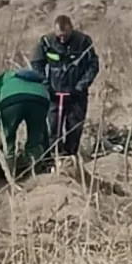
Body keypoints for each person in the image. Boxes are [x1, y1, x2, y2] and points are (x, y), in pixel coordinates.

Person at [29, 14, 100, 159]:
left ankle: (70, 157)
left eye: (65, 35)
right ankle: (53, 157)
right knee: (53, 127)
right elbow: (37, 65)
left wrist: (81, 86)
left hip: (76, 95)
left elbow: (93, 65)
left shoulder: (83, 42)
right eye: (59, 35)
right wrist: (46, 86)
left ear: (71, 30)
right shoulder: (46, 42)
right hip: (54, 93)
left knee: (74, 127)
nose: (62, 38)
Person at [0, 66, 52, 173]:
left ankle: (9, 171)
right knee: (35, 139)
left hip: (12, 100)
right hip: (40, 99)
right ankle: (36, 172)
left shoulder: (2, 77)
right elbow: (43, 129)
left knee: (9, 137)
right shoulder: (37, 80)